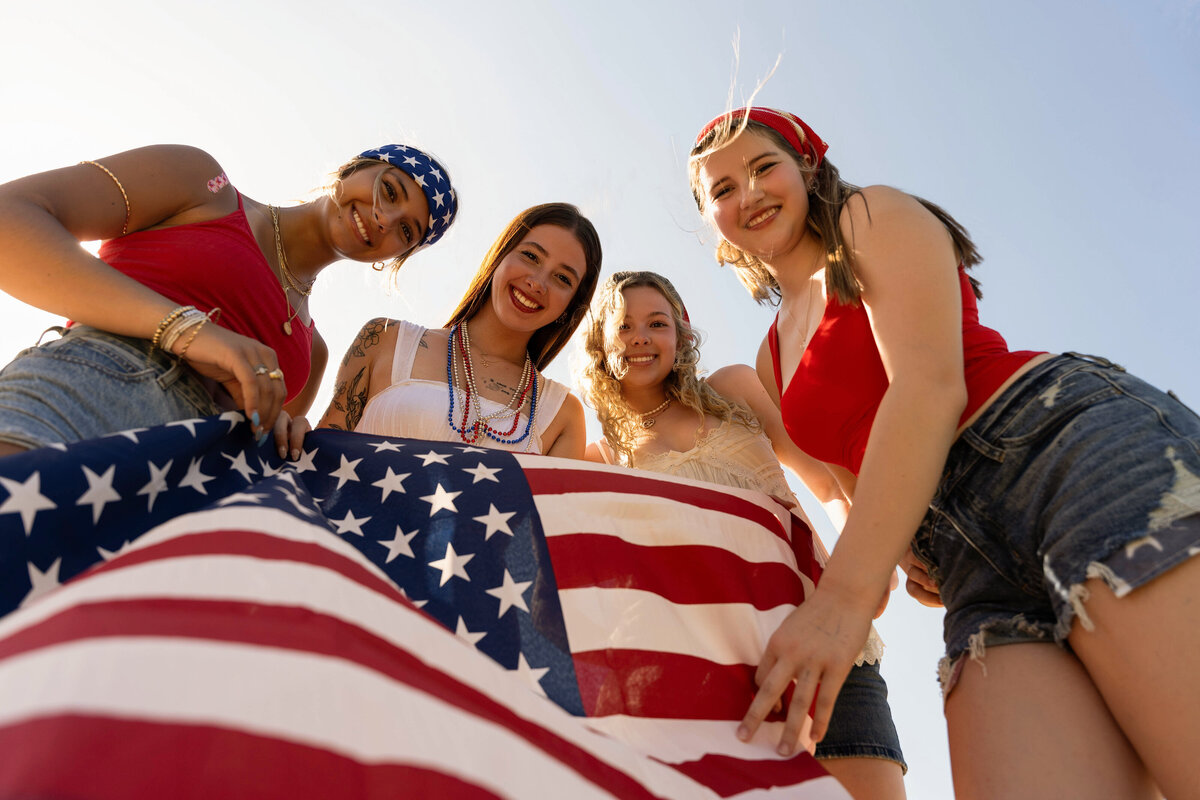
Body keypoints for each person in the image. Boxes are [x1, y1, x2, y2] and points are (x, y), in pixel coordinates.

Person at [689, 106, 1200, 798]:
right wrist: (899, 548)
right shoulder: (770, 358)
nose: (745, 194)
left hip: (1056, 449)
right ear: (711, 221)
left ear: (807, 166)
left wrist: (845, 598)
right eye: (721, 189)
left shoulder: (868, 217)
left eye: (761, 168)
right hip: (969, 562)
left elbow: (928, 387)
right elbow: (850, 487)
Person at [577, 269, 905, 799]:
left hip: (818, 630)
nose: (640, 336)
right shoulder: (603, 459)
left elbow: (825, 485)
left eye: (656, 323)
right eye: (624, 325)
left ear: (681, 333)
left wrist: (866, 560)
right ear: (600, 343)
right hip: (716, 668)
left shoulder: (728, 389)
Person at [0, 143, 457, 457]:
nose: (384, 218)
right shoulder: (202, 185)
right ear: (353, 169)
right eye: (389, 190)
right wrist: (192, 331)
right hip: (82, 398)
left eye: (406, 231)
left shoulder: (310, 355)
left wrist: (286, 436)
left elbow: (257, 459)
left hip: (168, 492)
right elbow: (11, 216)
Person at [309, 202, 600, 458]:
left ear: (571, 306)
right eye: (531, 256)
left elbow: (553, 519)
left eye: (562, 278)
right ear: (500, 256)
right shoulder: (385, 339)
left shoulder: (562, 415)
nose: (537, 282)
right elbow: (318, 458)